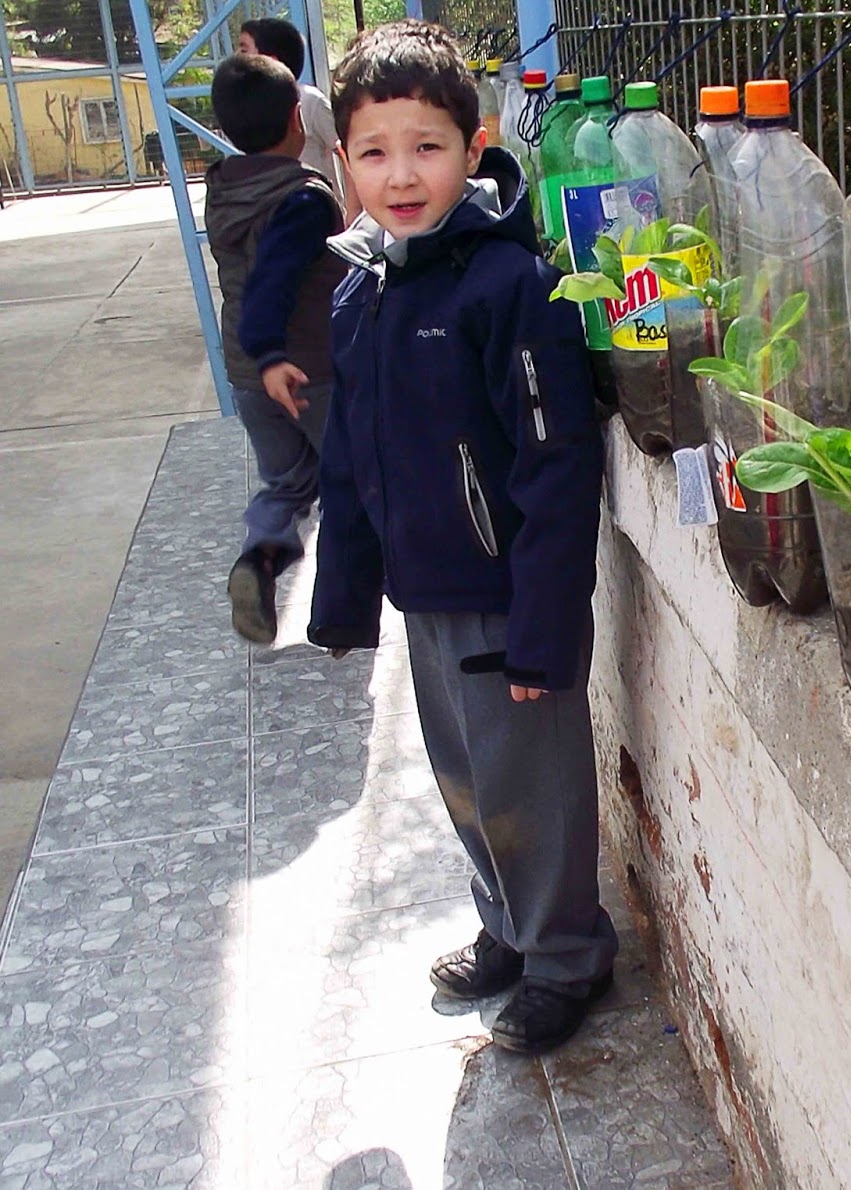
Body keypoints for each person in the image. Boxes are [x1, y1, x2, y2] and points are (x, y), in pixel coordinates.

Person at [310, 20, 618, 1055]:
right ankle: (505, 923)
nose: (402, 174)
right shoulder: (363, 287)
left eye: (427, 146)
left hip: (502, 597)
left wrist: (543, 629)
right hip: (424, 592)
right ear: (342, 161)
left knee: (534, 784)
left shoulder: (509, 287)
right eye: (375, 150)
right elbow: (351, 451)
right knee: (464, 777)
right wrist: (348, 591)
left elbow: (555, 462)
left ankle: (568, 952)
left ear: (474, 144)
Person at [204, 54, 347, 643]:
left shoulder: (223, 188)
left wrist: (256, 361)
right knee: (348, 481)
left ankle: (258, 559)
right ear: (298, 119)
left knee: (287, 482)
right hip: (302, 370)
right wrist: (272, 356)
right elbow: (274, 282)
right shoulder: (303, 200)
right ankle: (341, 609)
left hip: (246, 374)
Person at [238, 16, 352, 216]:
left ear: (270, 61)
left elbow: (346, 153)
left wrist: (353, 211)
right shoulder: (251, 108)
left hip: (318, 214)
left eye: (244, 50)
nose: (237, 57)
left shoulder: (311, 101)